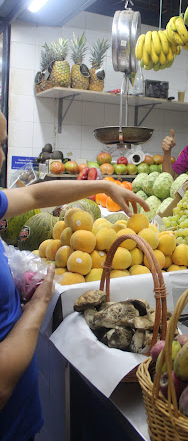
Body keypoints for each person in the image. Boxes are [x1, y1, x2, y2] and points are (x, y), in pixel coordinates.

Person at [0, 112, 148, 441]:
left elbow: (36, 196)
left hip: (20, 423)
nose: (0, 155)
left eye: (3, 144)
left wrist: (105, 185)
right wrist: (37, 308)